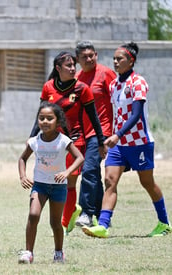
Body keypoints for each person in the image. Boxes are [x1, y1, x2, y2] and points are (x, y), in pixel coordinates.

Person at [82, 42, 171, 238]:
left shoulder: (138, 82)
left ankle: (164, 223)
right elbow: (116, 114)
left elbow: (136, 114)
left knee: (147, 183)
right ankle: (103, 226)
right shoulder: (114, 84)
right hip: (118, 144)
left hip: (139, 142)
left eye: (119, 59)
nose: (115, 62)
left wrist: (117, 134)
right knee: (109, 181)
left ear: (131, 61)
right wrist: (109, 137)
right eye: (114, 59)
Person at [30, 51, 105, 235]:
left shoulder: (82, 89)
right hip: (51, 142)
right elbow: (40, 116)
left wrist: (101, 141)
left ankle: (63, 224)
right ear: (58, 68)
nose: (73, 69)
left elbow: (94, 118)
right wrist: (32, 137)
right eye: (69, 66)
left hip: (74, 140)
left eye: (74, 65)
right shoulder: (48, 87)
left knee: (69, 182)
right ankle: (70, 213)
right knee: (52, 179)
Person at [18, 102, 84, 264]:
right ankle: (28, 253)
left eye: (49, 118)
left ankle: (59, 253)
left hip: (58, 187)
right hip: (39, 185)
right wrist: (23, 176)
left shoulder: (64, 140)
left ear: (58, 121)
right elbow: (22, 158)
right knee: (33, 215)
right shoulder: (34, 141)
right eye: (41, 118)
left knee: (55, 222)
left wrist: (67, 172)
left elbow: (80, 157)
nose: (45, 122)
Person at [74, 41, 117, 227]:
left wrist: (116, 132)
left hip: (103, 132)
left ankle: (86, 212)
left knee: (89, 169)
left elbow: (118, 101)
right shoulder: (76, 78)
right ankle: (102, 215)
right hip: (83, 133)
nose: (89, 59)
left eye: (92, 55)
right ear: (78, 60)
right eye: (85, 57)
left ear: (96, 55)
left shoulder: (106, 73)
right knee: (92, 173)